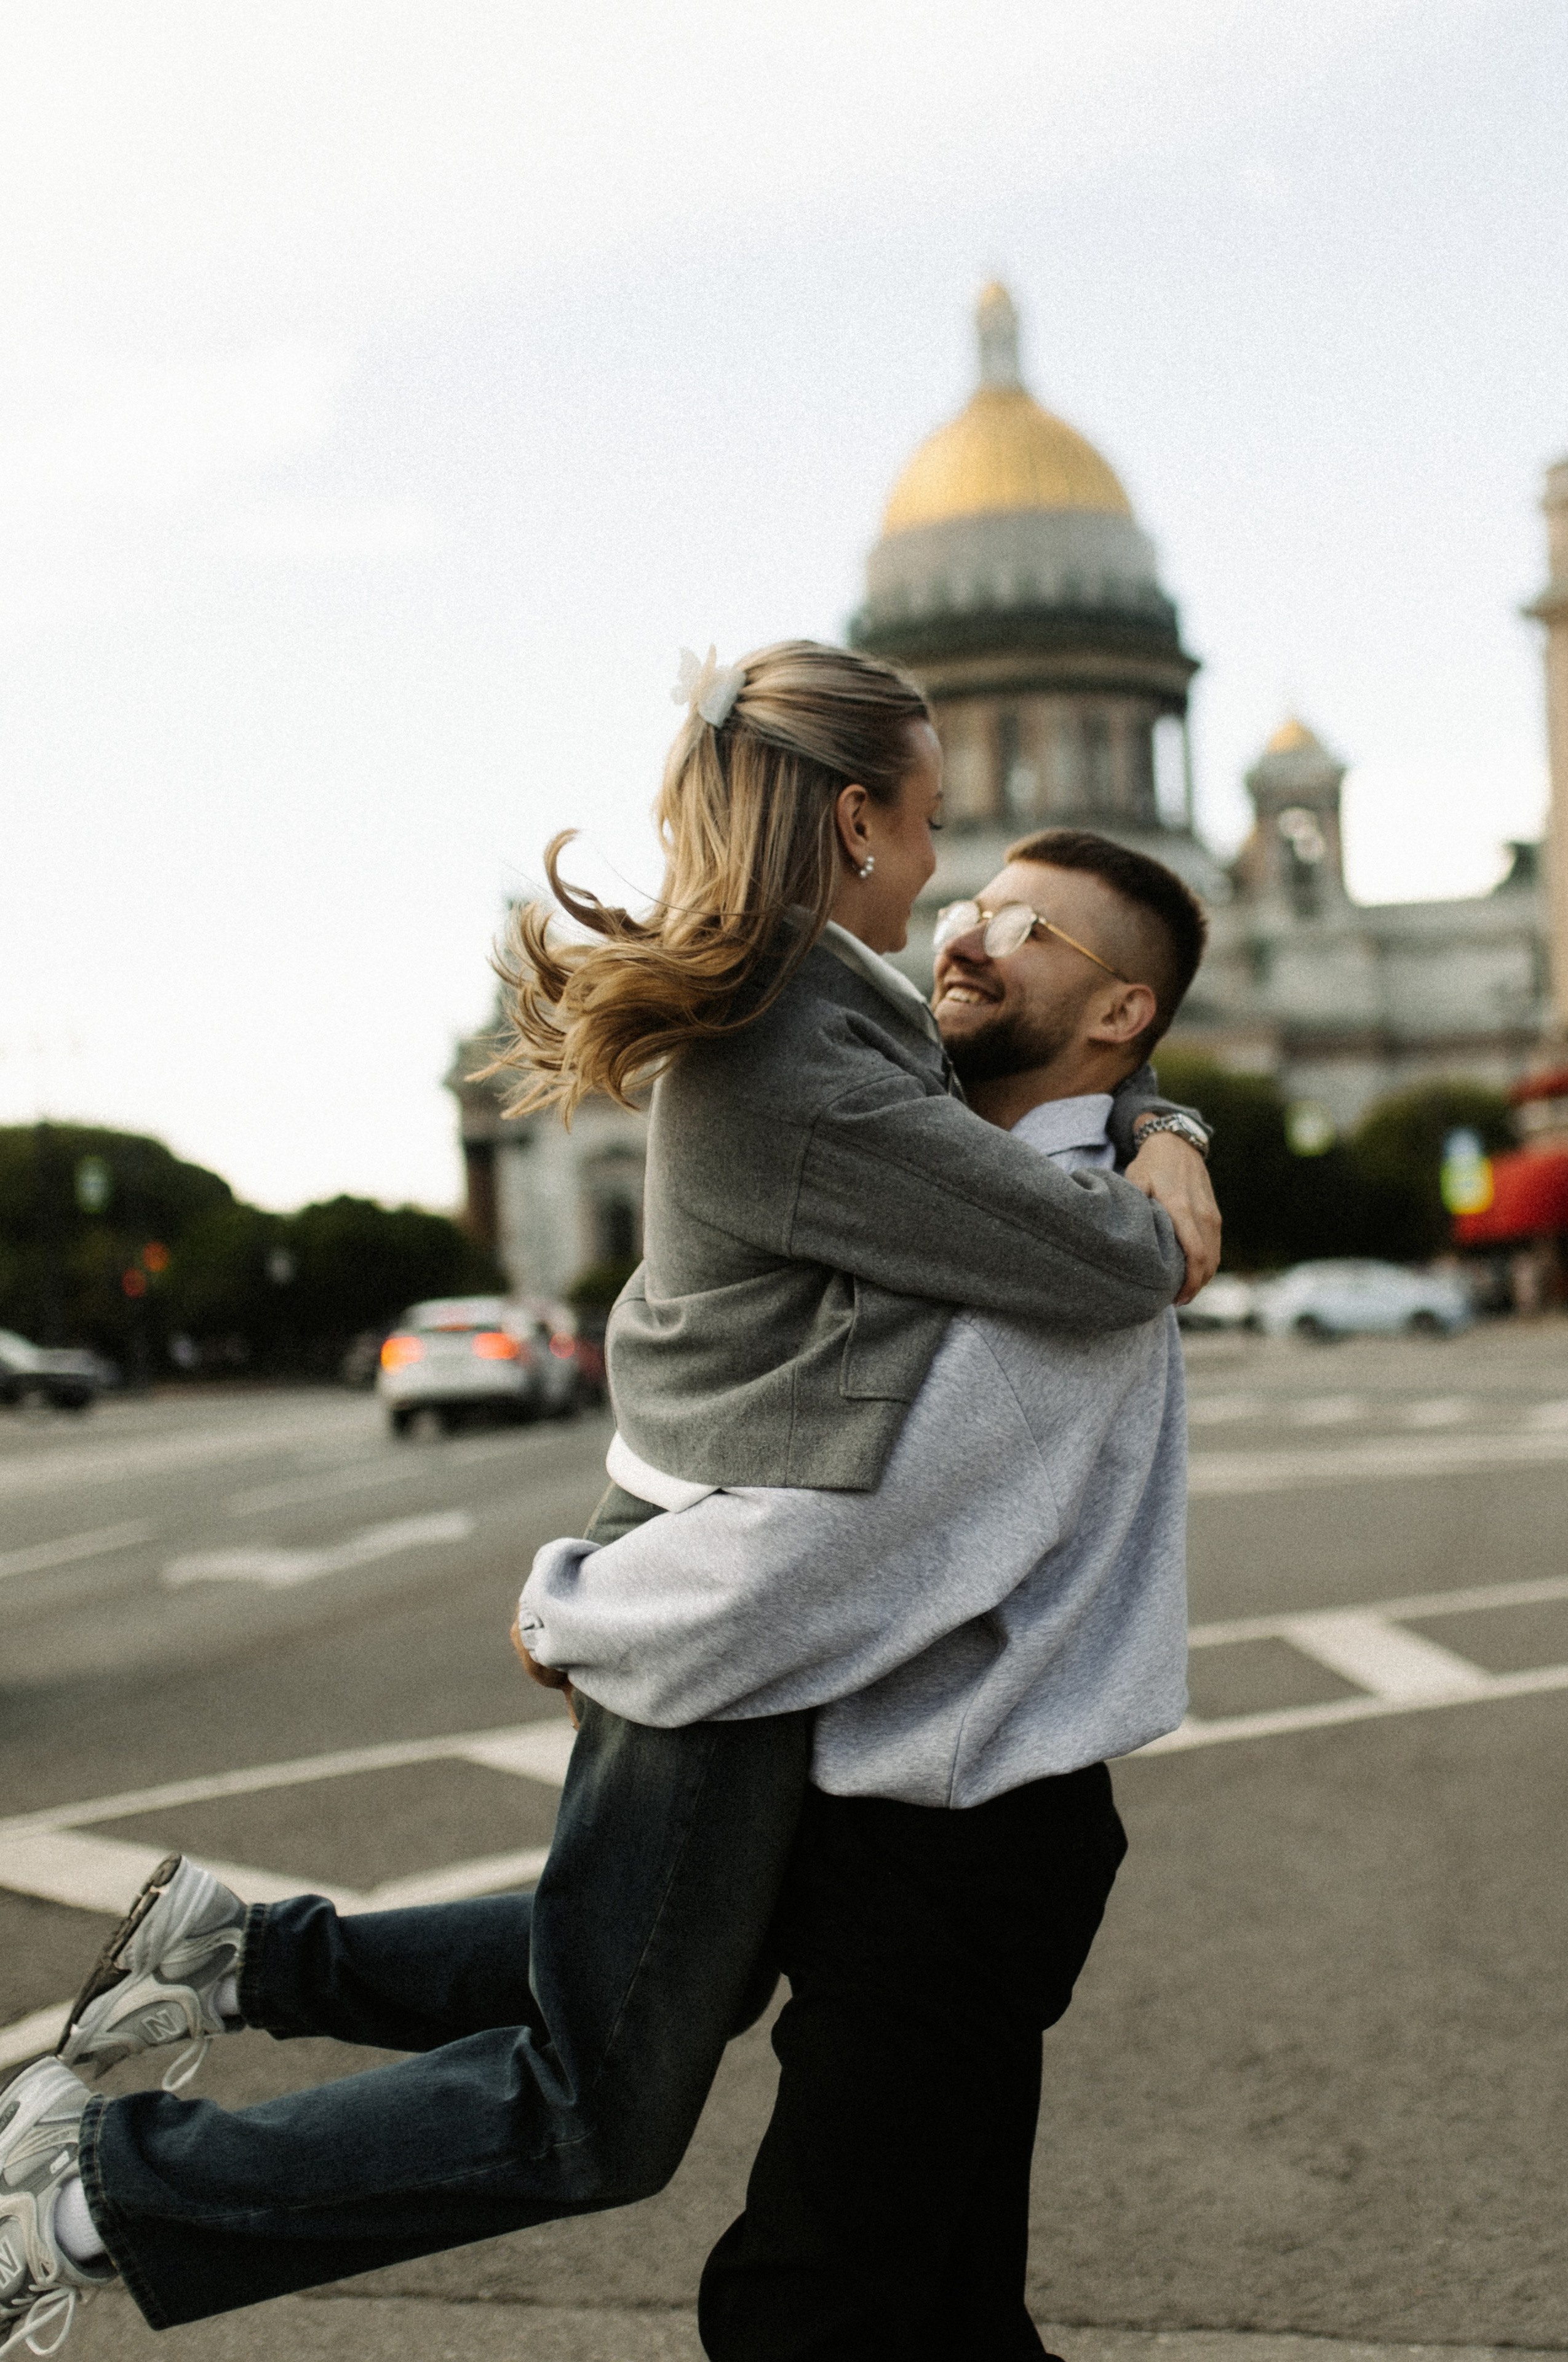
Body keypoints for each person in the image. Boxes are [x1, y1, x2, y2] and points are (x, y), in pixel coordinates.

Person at [0, 645, 1216, 2360]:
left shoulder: (852, 1037)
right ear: (859, 818)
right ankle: (96, 2188)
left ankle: (231, 1977)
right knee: (630, 2111)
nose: (956, 901)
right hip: (803, 1673)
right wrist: (591, 1609)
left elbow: (876, 1512)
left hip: (870, 1732)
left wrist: (1160, 1110)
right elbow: (1063, 1309)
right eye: (951, 847)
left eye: (1022, 919)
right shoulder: (842, 1073)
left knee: (688, 2024)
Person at [520, 829, 1208, 2359]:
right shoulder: (958, 1177)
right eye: (972, 903)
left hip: (955, 1846)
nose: (962, 936)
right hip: (937, 1822)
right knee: (944, 2311)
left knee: (811, 2306)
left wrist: (578, 1612)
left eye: (1028, 929)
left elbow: (832, 1551)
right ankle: (248, 1959)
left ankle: (225, 1999)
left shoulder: (1064, 1266)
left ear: (1116, 1016)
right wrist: (1176, 1116)